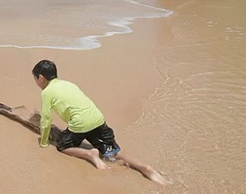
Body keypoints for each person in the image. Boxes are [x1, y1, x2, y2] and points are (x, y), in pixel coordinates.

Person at [32, 59, 167, 185]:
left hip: (79, 125)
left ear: (41, 78)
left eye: (35, 79)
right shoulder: (68, 84)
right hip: (97, 120)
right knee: (113, 152)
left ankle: (90, 154)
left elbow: (46, 119)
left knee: (62, 146)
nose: (36, 83)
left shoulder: (46, 92)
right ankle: (146, 168)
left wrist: (44, 142)